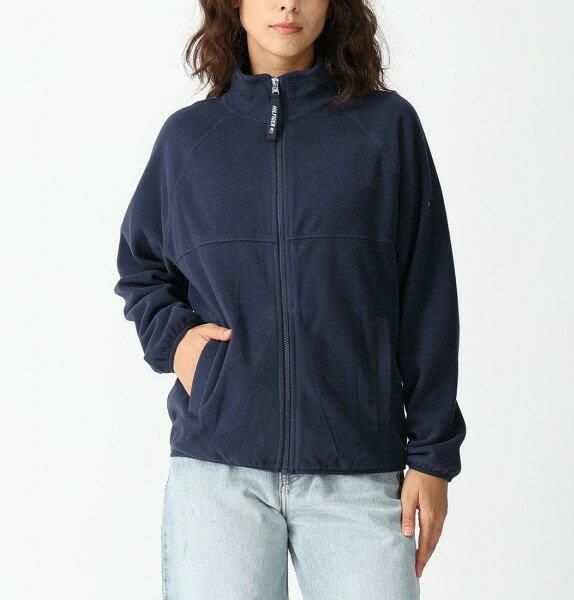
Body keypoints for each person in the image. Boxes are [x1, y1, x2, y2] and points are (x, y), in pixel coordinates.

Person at [114, 1, 466, 598]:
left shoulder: (386, 128)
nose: (287, 4)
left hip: (358, 472)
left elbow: (428, 295)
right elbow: (142, 266)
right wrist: (177, 343)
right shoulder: (188, 140)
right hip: (219, 475)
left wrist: (432, 458)